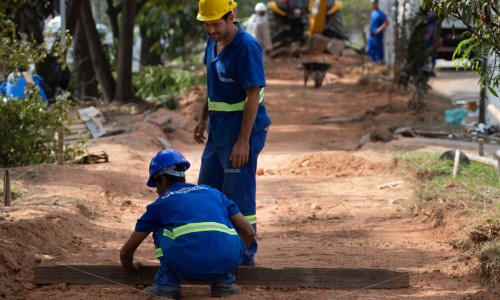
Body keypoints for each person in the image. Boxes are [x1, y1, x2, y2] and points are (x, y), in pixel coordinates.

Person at [194, 0, 272, 267]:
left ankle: (243, 256)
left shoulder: (247, 47)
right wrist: (203, 119)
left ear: (230, 18)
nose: (211, 30)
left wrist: (243, 142)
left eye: (216, 24)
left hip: (243, 133)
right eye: (207, 25)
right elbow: (212, 86)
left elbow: (253, 96)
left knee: (237, 196)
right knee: (207, 192)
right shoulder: (212, 43)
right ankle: (215, 249)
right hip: (218, 132)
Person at [120, 149, 256, 299]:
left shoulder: (160, 204)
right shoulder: (213, 192)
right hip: (227, 262)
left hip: (186, 266)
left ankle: (167, 286)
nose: (157, 191)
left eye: (156, 185)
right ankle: (223, 283)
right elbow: (249, 231)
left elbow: (126, 251)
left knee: (160, 229)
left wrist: (131, 266)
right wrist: (235, 258)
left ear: (163, 180)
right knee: (221, 229)